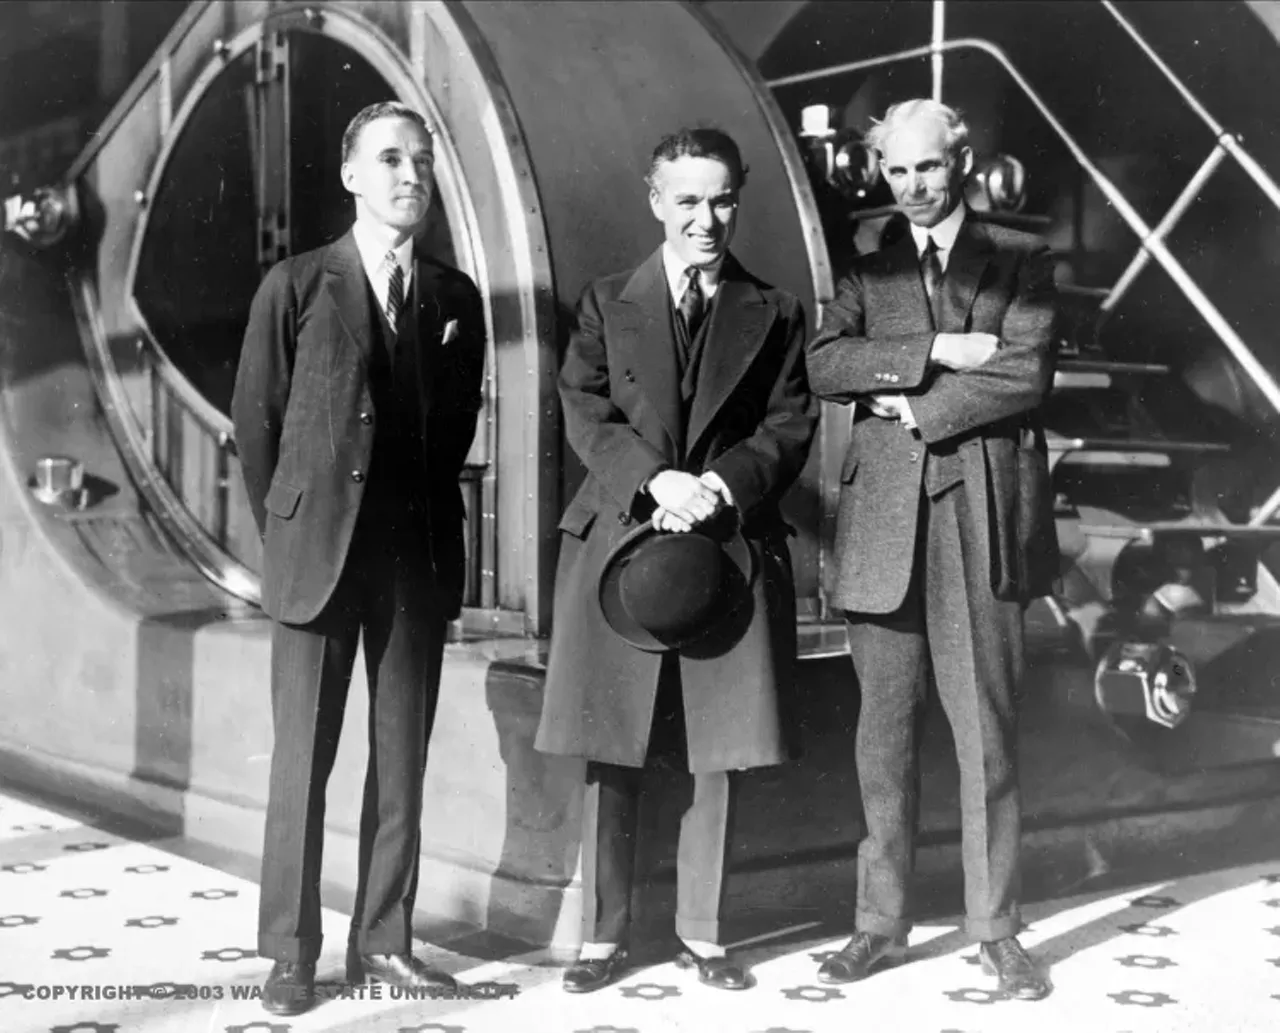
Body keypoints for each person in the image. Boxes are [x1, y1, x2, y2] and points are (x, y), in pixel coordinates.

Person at [535, 128, 818, 993]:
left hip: (725, 544)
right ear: (656, 201)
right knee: (613, 745)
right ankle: (603, 937)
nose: (707, 220)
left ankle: (704, 933)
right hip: (622, 534)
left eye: (722, 199)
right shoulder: (603, 301)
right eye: (688, 201)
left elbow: (789, 424)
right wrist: (656, 481)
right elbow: (583, 410)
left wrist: (721, 486)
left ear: (740, 199)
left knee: (717, 747)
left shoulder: (773, 311)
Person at [231, 100, 485, 1016]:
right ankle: (291, 952)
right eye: (389, 159)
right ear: (350, 177)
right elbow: (255, 428)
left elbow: (451, 430)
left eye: (420, 161)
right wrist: (296, 523)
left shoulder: (454, 299)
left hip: (411, 560)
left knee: (401, 760)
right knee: (301, 761)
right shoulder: (295, 286)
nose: (410, 175)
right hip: (317, 558)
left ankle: (384, 941)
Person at [804, 98, 1058, 1000]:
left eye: (929, 168)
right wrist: (942, 349)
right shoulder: (865, 268)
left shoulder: (1022, 261)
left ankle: (996, 930)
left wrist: (907, 399)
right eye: (897, 171)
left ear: (961, 159)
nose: (912, 187)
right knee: (884, 735)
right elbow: (826, 365)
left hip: (978, 516)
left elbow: (1025, 371)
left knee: (985, 731)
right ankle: (879, 923)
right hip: (883, 526)